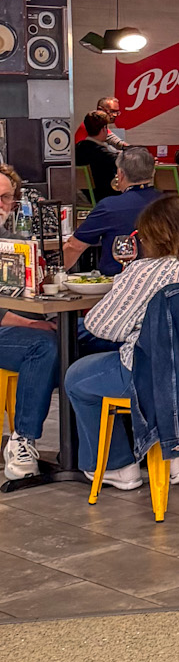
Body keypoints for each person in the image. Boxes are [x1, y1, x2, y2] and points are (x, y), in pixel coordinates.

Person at [66, 193, 179, 493]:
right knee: (160, 362)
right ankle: (174, 453)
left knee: (79, 376)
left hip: (160, 375)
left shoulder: (148, 271)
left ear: (155, 235)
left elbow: (101, 326)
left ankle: (118, 465)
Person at [0, 163, 61, 482]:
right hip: (13, 331)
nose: (1, 205)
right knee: (45, 346)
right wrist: (38, 325)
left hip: (22, 326)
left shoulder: (16, 236)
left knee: (78, 341)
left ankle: (90, 445)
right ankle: (22, 439)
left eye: (6, 198)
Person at [63, 144, 158, 278]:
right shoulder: (172, 204)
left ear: (120, 174)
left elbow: (75, 246)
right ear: (153, 172)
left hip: (118, 283)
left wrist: (55, 276)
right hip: (163, 281)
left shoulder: (109, 207)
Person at [75, 112, 120, 199]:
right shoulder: (102, 153)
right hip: (105, 196)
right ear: (104, 128)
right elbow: (123, 162)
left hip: (86, 196)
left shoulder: (78, 149)